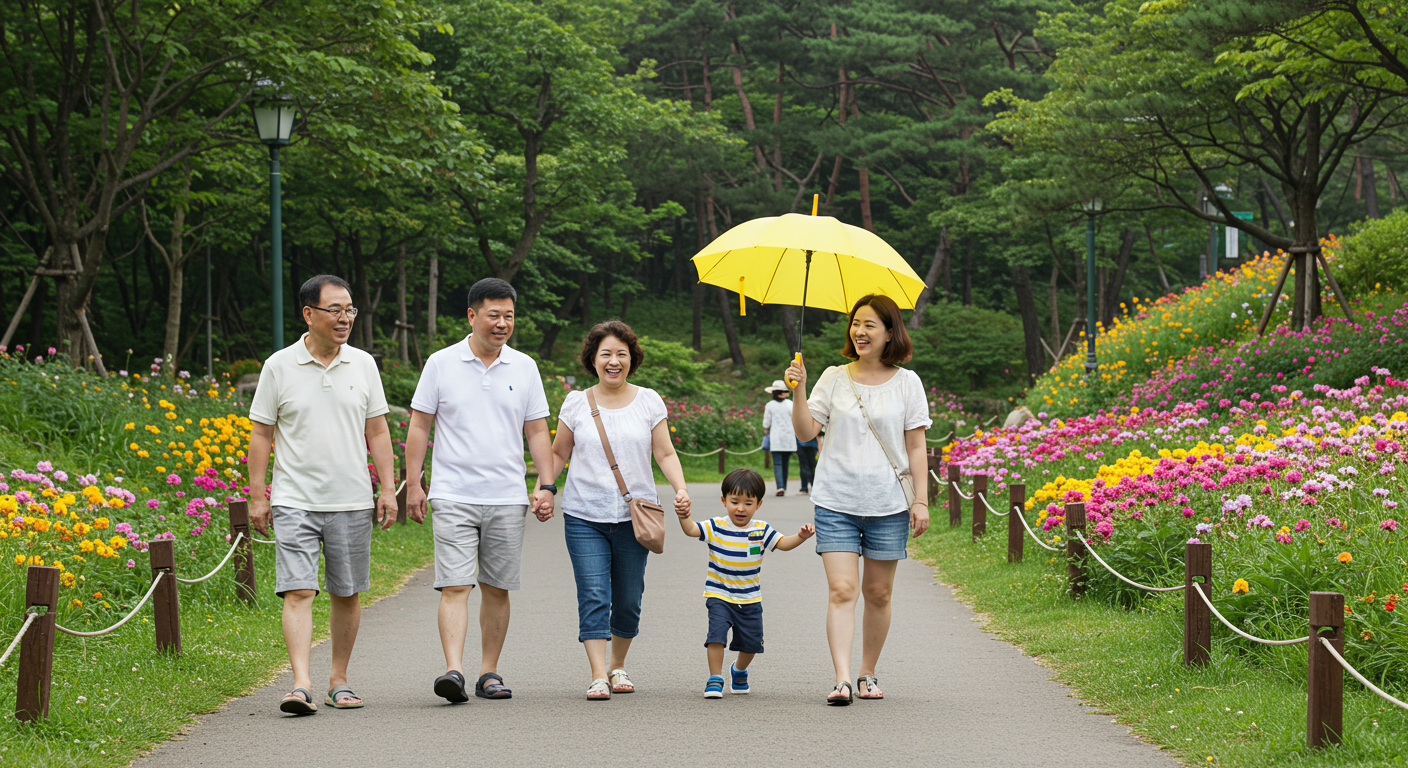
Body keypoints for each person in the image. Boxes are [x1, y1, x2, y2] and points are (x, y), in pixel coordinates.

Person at [248, 274, 399, 715]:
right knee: (298, 591)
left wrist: (386, 488)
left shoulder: (364, 364)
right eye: (335, 310)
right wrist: (259, 496)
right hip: (294, 498)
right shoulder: (279, 365)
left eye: (350, 310)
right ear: (308, 314)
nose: (345, 318)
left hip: (351, 498)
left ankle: (339, 680)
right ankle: (300, 683)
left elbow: (378, 430)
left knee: (346, 593)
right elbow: (261, 434)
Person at [404, 278, 555, 703]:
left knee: (497, 586)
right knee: (454, 584)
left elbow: (537, 429)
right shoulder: (441, 363)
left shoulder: (524, 366)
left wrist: (546, 485)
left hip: (507, 495)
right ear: (472, 316)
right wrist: (414, 484)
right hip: (453, 492)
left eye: (509, 316)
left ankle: (489, 672)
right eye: (494, 315)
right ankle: (453, 669)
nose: (502, 323)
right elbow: (419, 424)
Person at [784, 293, 931, 705]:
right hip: (836, 500)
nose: (860, 331)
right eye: (855, 323)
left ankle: (867, 672)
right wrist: (797, 389)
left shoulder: (908, 383)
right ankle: (843, 679)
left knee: (879, 594)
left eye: (869, 324)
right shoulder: (834, 376)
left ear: (889, 332)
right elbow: (805, 432)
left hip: (889, 504)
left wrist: (920, 500)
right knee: (843, 589)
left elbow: (916, 446)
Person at [533, 320, 690, 700]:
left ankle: (619, 665)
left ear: (632, 359)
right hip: (584, 514)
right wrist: (545, 488)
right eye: (606, 354)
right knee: (593, 593)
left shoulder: (649, 400)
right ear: (593, 359)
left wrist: (681, 489)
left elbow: (664, 452)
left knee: (629, 598)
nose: (614, 361)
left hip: (635, 517)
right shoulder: (576, 402)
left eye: (621, 353)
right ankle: (599, 673)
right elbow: (559, 453)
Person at [675, 468, 813, 698]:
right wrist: (683, 515)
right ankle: (715, 678)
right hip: (719, 594)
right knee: (716, 636)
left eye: (748, 503)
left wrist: (800, 536)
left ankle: (738, 670)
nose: (740, 508)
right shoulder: (716, 526)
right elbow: (691, 530)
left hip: (750, 598)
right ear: (724, 500)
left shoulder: (761, 530)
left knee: (751, 644)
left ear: (758, 504)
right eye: (734, 501)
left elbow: (783, 543)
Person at [761, 381, 797, 496]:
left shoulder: (770, 405)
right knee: (785, 463)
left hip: (776, 438)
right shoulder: (790, 404)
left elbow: (766, 423)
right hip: (789, 438)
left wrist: (766, 429)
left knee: (777, 463)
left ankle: (780, 487)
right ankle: (784, 487)